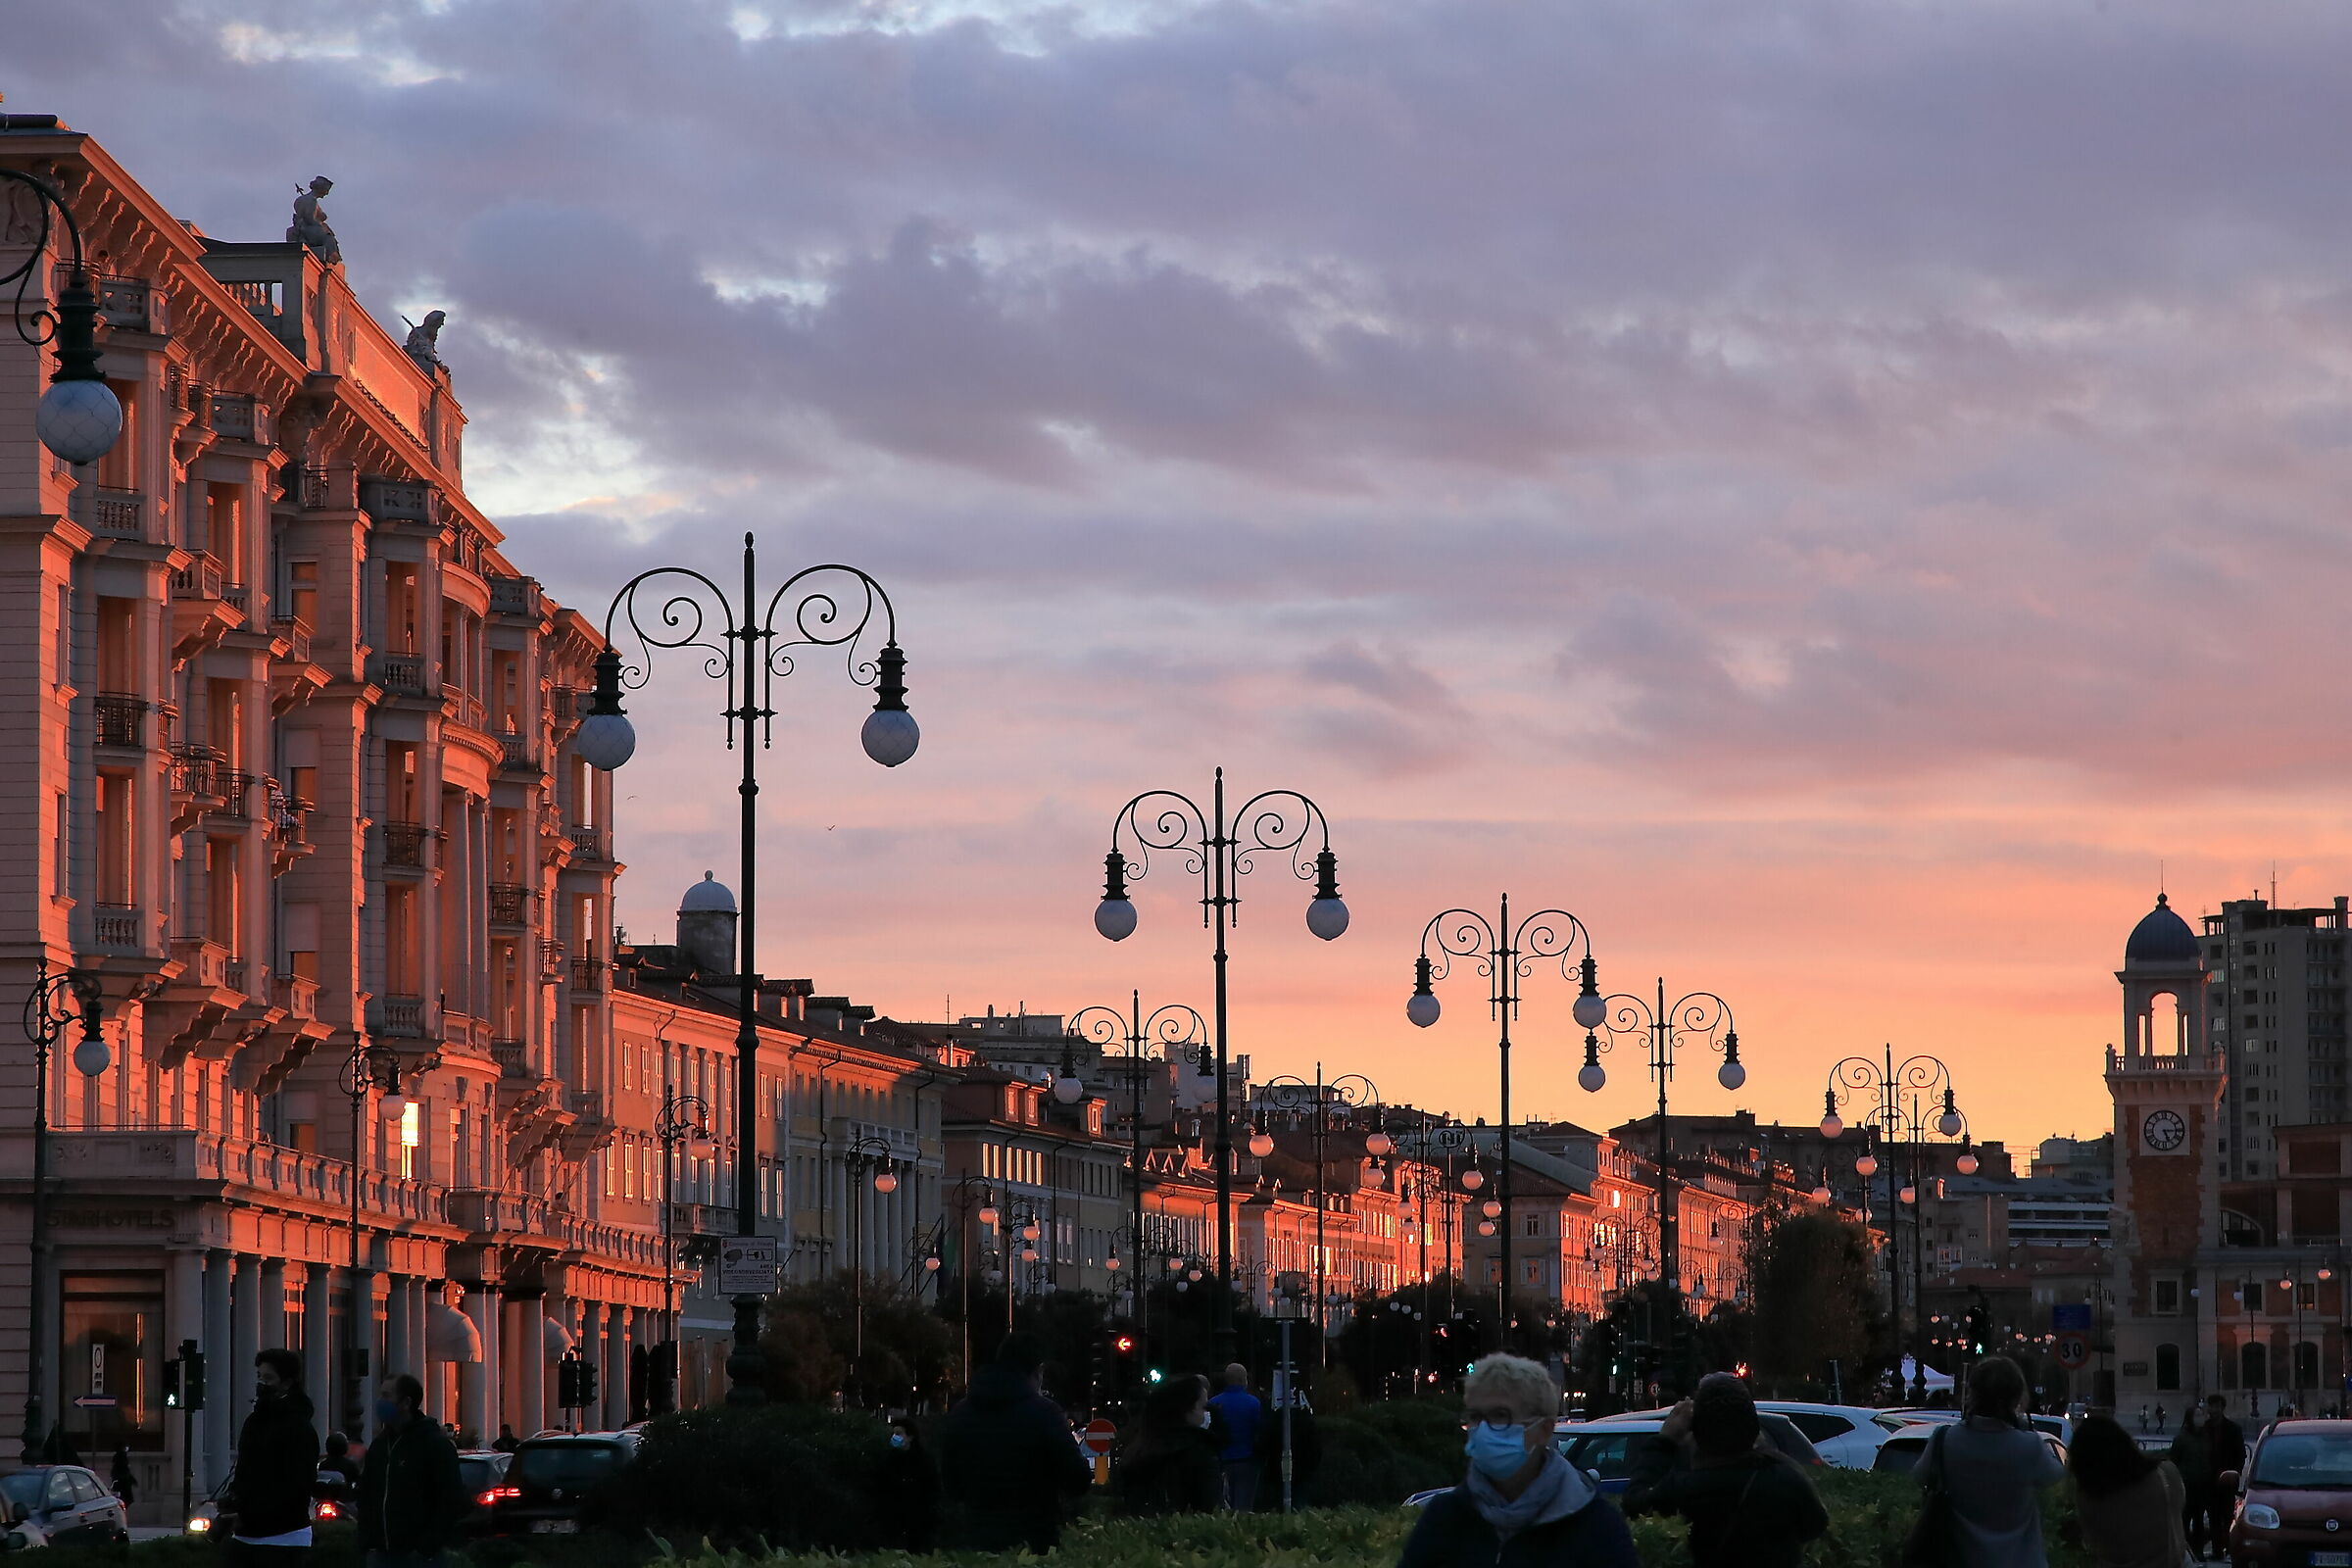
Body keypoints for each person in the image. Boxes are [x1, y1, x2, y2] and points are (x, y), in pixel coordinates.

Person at [1396, 1352, 1639, 1568]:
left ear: (1544, 1430)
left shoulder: (1596, 1525)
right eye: (1476, 1417)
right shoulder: (1444, 1518)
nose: (1483, 1429)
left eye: (1500, 1416)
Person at [1623, 1373, 1829, 1568]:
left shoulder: (1682, 1490)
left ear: (1697, 1431)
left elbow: (1635, 1503)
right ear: (1753, 1427)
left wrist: (1665, 1441)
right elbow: (1815, 1524)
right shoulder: (1785, 1482)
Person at [934, 1333, 1092, 1552]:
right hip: (1035, 1540)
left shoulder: (962, 1413)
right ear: (1038, 1371)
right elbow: (1078, 1478)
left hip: (975, 1540)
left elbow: (951, 1483)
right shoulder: (1045, 1413)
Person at [1916, 1354, 2065, 1568]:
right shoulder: (2028, 1446)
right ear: (2016, 1398)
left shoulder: (1945, 1440)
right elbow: (2056, 1478)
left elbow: (1918, 1477)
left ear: (1972, 1394)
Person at [357, 1374, 466, 1568]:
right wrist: (367, 1542)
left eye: (386, 1396)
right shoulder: (380, 1446)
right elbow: (366, 1495)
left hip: (419, 1558)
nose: (380, 1402)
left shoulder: (434, 1445)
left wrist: (426, 1547)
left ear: (406, 1402)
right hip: (380, 1555)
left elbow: (450, 1500)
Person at [230, 1348, 322, 1568]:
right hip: (246, 1534)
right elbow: (245, 1469)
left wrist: (255, 1508)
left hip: (284, 1536)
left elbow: (298, 1483)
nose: (262, 1383)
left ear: (287, 1382)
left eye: (269, 1378)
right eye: (260, 1377)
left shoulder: (299, 1428)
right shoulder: (255, 1422)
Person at [2069, 1412, 2189, 1568]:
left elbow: (2093, 1541)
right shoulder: (2165, 1474)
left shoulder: (2088, 1496)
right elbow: (2178, 1508)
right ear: (2124, 1441)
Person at [1116, 1375, 1222, 1516]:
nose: (1206, 1414)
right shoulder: (1199, 1451)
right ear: (1187, 1410)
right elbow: (1210, 1508)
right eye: (1203, 1407)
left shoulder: (1137, 1450)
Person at [878, 1416, 942, 1551]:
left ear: (910, 1437)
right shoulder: (889, 1459)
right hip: (896, 1517)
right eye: (894, 1433)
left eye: (899, 1433)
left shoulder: (923, 1461)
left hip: (918, 1517)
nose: (895, 1437)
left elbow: (931, 1488)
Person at [1206, 1363, 1264, 1510]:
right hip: (1247, 1460)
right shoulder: (1254, 1404)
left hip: (1221, 1461)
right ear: (1243, 1380)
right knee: (1244, 1505)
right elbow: (1260, 1431)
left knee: (1221, 1505)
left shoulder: (1213, 1404)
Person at [2168, 1401, 2216, 1560]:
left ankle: (2198, 1550)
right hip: (2186, 1485)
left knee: (2199, 1520)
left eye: (2202, 1415)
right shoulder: (2182, 1438)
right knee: (2184, 1519)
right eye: (2197, 1415)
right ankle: (2183, 1550)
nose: (2201, 1418)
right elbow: (2174, 1460)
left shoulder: (2205, 1437)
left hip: (2202, 1485)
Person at [2204, 1393, 2248, 1552]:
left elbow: (2241, 1454)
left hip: (2228, 1481)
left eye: (2216, 1406)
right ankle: (2216, 1549)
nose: (2212, 1410)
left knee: (2228, 1516)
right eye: (2210, 1406)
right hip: (2209, 1481)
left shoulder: (2233, 1429)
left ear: (2222, 1408)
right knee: (2214, 1517)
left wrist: (2235, 1473)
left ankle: (2229, 1548)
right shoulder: (2204, 1428)